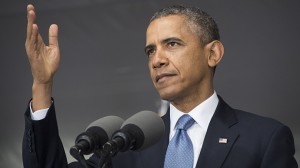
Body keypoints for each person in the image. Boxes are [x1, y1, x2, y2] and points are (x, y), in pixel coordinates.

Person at [23, 4, 298, 168]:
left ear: (213, 53)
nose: (157, 60)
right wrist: (42, 83)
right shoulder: (127, 145)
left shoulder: (265, 139)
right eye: (150, 51)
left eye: (172, 44)